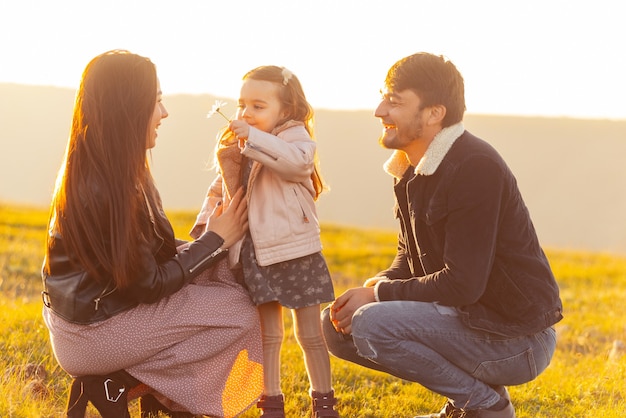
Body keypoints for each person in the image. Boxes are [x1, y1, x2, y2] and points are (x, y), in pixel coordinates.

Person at [321, 52, 563, 418]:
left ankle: (485, 406)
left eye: (395, 101)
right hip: (469, 322)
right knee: (336, 324)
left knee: (370, 323)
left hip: (517, 340)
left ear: (435, 113)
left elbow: (463, 284)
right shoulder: (410, 170)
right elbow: (409, 257)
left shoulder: (473, 167)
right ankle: (468, 401)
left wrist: (377, 296)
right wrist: (380, 283)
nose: (379, 110)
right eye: (384, 97)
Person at [41, 49, 263, 418]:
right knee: (239, 313)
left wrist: (212, 239)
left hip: (99, 318)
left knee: (223, 278)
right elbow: (149, 284)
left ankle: (156, 392)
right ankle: (133, 385)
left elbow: (148, 255)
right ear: (129, 108)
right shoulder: (104, 187)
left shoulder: (117, 167)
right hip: (90, 336)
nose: (164, 113)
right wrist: (214, 241)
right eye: (156, 101)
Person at [191, 65, 339, 418]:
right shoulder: (239, 146)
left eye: (259, 106)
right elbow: (219, 191)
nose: (246, 114)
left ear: (285, 110)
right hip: (257, 254)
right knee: (269, 335)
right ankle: (271, 402)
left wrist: (253, 139)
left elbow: (298, 164)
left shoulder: (295, 139)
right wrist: (203, 229)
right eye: (243, 105)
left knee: (310, 334)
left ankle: (324, 402)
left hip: (296, 251)